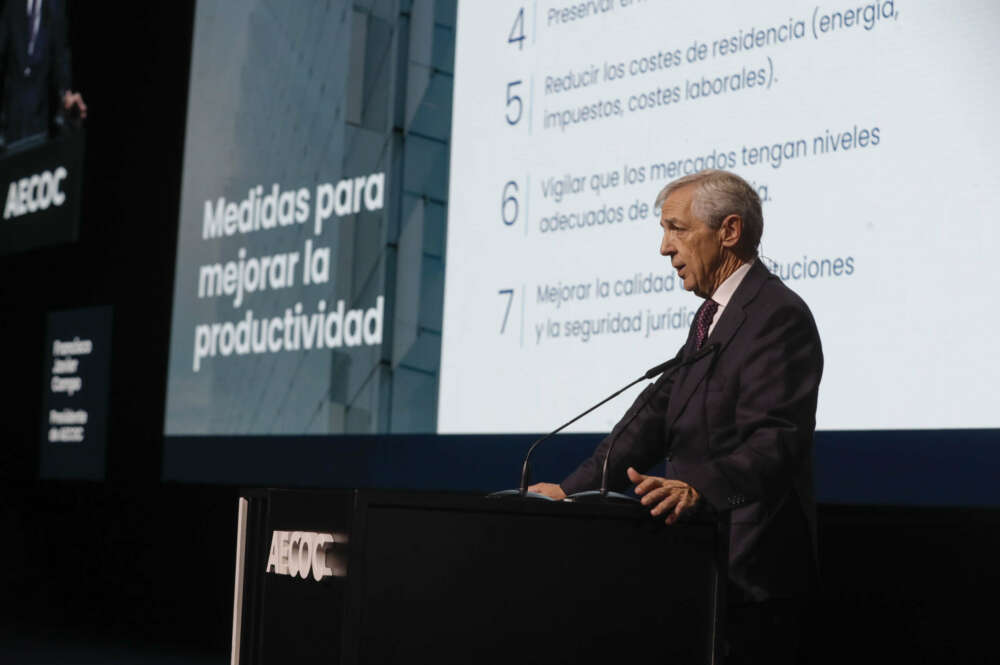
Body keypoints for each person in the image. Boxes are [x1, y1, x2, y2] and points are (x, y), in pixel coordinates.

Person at [529, 169, 823, 663]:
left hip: (751, 583)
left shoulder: (777, 315)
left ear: (729, 231)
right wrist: (570, 491)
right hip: (697, 570)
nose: (665, 248)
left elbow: (777, 442)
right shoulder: (714, 316)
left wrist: (699, 489)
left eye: (677, 229)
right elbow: (652, 418)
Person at [0, 0, 87, 147]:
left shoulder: (56, 5)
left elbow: (61, 54)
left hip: (39, 103)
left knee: (34, 153)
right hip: (12, 99)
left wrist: (65, 93)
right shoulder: (13, 4)